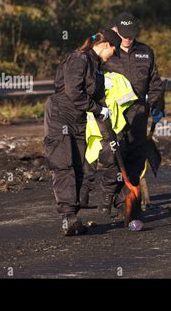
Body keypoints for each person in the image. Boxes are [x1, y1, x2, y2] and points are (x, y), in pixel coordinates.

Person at [44, 28, 121, 236]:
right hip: (60, 114)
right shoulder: (78, 59)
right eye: (114, 50)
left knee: (79, 166)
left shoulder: (97, 66)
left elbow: (95, 98)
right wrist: (97, 109)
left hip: (78, 118)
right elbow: (73, 93)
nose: (113, 56)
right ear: (106, 45)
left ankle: (73, 217)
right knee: (64, 165)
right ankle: (67, 217)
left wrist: (107, 122)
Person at [99, 12, 164, 222]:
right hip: (114, 118)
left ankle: (132, 204)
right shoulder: (108, 53)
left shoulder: (146, 52)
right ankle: (117, 202)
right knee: (115, 159)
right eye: (123, 34)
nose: (127, 38)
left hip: (139, 115)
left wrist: (156, 104)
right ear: (115, 30)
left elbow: (155, 83)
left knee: (136, 159)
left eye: (131, 34)